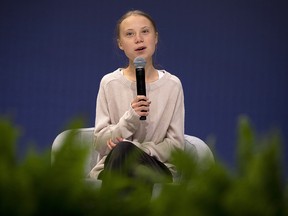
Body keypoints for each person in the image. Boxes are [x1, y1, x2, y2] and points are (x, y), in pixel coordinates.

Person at [89, 10, 185, 190]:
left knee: (127, 152)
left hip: (156, 166)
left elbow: (176, 147)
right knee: (123, 154)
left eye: (145, 32)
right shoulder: (109, 83)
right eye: (129, 34)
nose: (138, 39)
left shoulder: (172, 85)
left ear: (155, 38)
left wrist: (138, 150)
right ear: (120, 44)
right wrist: (129, 120)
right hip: (112, 165)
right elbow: (100, 143)